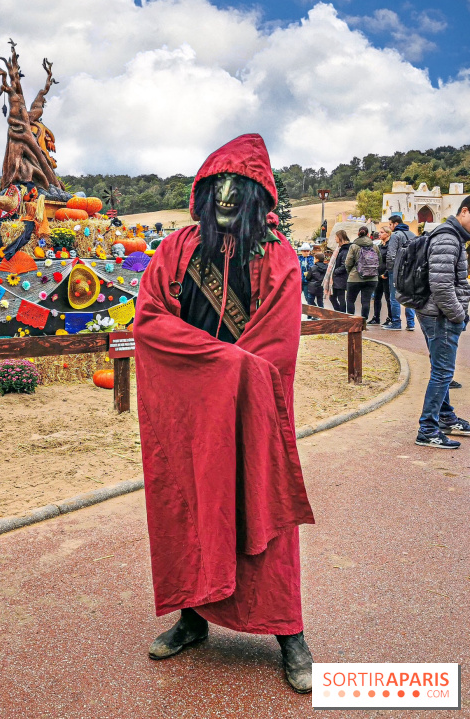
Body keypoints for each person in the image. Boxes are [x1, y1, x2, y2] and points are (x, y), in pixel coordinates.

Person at [133, 134, 315, 693]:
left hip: (251, 414)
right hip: (187, 414)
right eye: (219, 184)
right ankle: (192, 618)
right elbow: (150, 319)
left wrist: (224, 375)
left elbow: (275, 345)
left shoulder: (277, 255)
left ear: (259, 194)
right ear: (204, 192)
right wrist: (212, 370)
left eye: (240, 184)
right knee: (189, 510)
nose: (228, 194)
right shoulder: (177, 249)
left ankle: (289, 633)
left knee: (263, 515)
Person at [398, 198, 470, 448]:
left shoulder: (450, 235)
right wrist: (459, 315)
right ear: (464, 211)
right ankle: (428, 429)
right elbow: (441, 286)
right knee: (443, 372)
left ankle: (446, 418)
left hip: (436, 312)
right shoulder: (449, 238)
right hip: (441, 315)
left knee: (441, 369)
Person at [384, 214, 416, 331]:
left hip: (397, 270)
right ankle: (411, 323)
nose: (389, 227)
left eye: (390, 224)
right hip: (411, 270)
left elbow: (391, 254)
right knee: (409, 296)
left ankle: (396, 323)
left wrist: (390, 269)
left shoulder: (395, 235)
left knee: (394, 297)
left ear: (396, 224)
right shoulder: (412, 234)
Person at [344, 226, 379, 318]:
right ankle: (363, 321)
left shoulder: (354, 246)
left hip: (355, 278)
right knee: (366, 301)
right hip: (372, 278)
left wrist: (350, 272)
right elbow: (379, 261)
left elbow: (348, 262)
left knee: (350, 300)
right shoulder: (375, 246)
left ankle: (352, 321)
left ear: (358, 234)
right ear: (368, 234)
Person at [368, 228, 391, 324]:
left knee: (388, 297)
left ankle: (390, 318)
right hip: (378, 274)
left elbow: (391, 260)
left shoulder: (390, 246)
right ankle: (376, 317)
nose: (379, 234)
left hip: (386, 275)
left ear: (388, 234)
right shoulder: (380, 246)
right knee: (377, 296)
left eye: (382, 232)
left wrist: (386, 273)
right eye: (379, 232)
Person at [324, 230, 350, 312]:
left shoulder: (345, 250)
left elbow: (345, 265)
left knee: (340, 297)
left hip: (341, 278)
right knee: (333, 297)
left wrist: (335, 271)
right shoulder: (339, 248)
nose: (335, 238)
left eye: (336, 237)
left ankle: (342, 314)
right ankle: (339, 313)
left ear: (340, 237)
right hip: (336, 278)